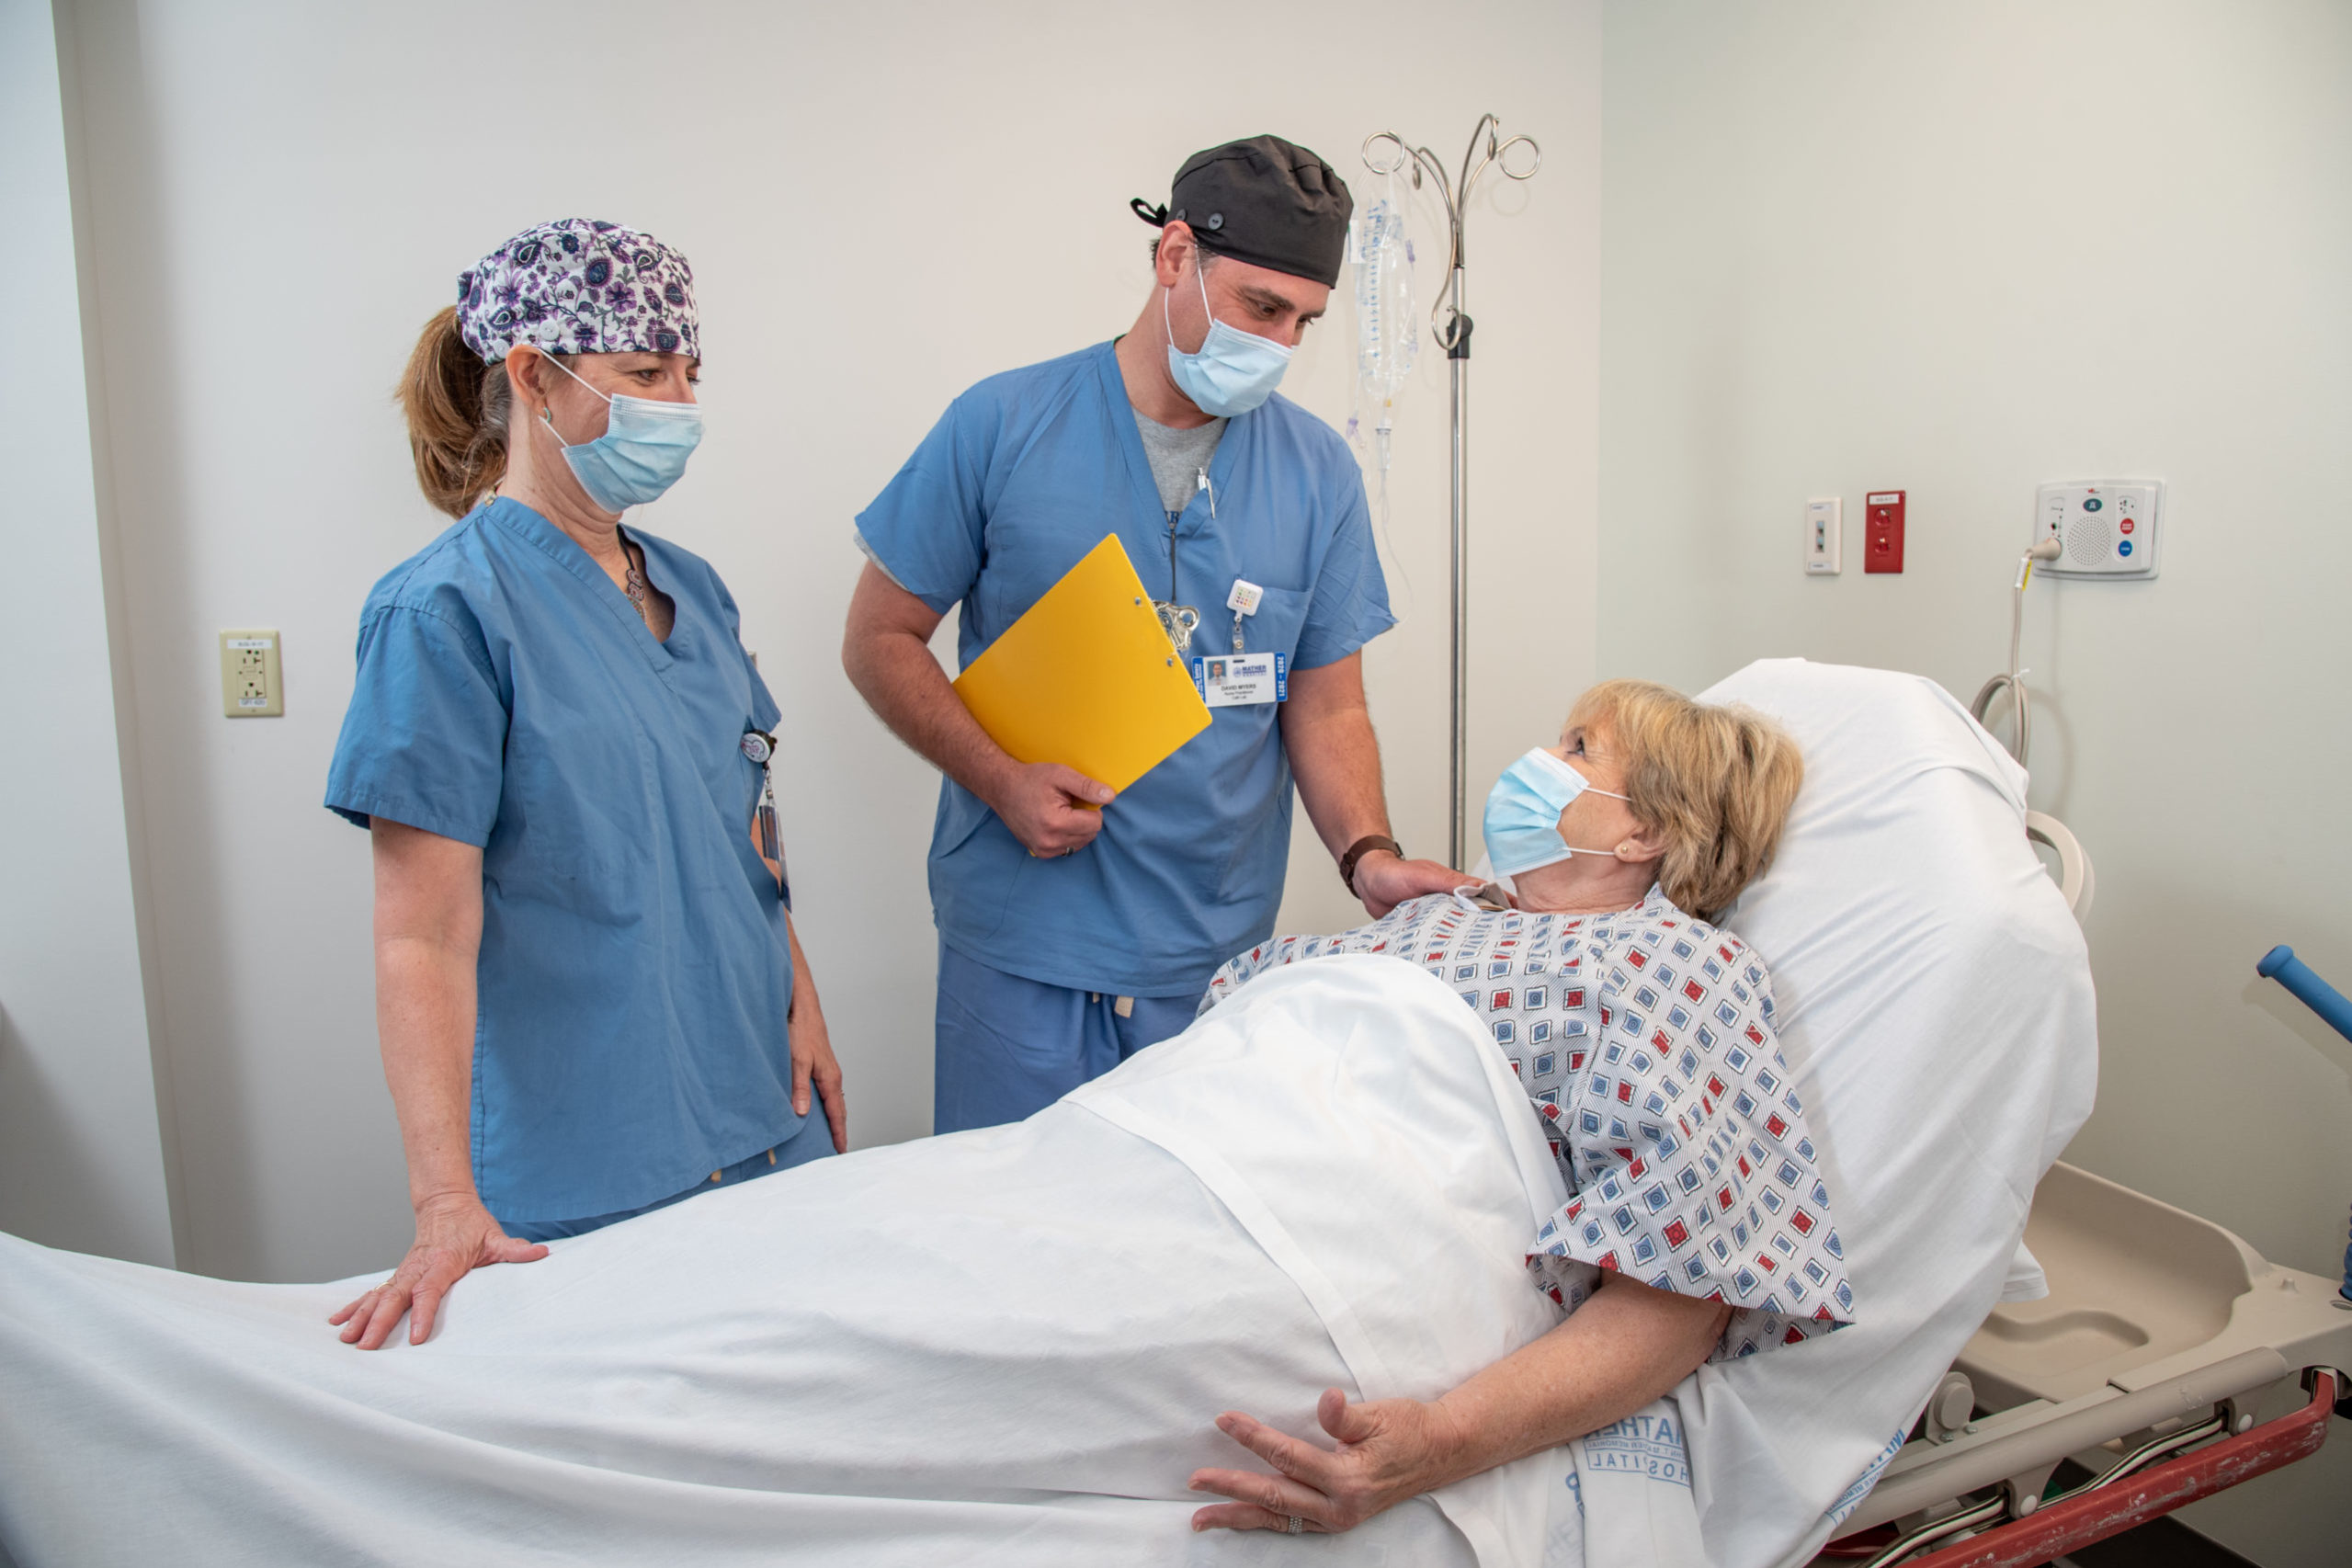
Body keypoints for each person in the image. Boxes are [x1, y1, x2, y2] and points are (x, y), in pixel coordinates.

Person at [842, 135, 1467, 1133]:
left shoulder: (1317, 473)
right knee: (1010, 1242)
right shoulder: (1003, 424)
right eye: (1262, 308)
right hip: (1024, 942)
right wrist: (1000, 777)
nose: (1280, 346)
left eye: (1304, 322)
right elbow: (878, 636)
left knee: (1174, 1263)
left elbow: (1330, 698)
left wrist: (1367, 852)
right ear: (1175, 255)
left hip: (1212, 953)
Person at [321, 219, 846, 1350]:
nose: (680, 402)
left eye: (689, 373)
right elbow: (420, 939)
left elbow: (741, 817)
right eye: (645, 372)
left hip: (768, 1105)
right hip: (594, 1147)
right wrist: (442, 1202)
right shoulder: (444, 614)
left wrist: (800, 996)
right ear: (533, 378)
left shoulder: (693, 589)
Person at [1184, 679, 1847, 1537]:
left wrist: (1443, 1440)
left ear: (1643, 830)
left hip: (1313, 1223)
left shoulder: (1673, 964)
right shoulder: (1445, 911)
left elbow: (1680, 1289)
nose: (1540, 763)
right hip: (1197, 1133)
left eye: (1576, 749)